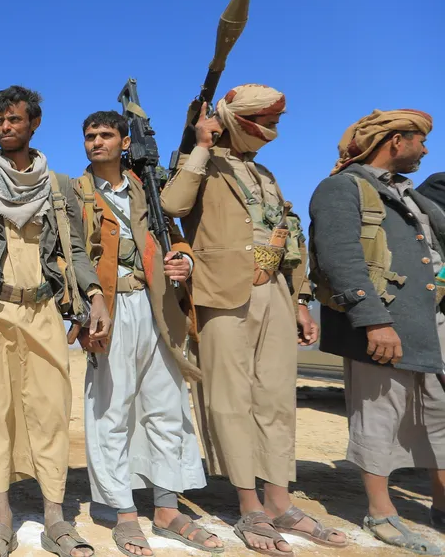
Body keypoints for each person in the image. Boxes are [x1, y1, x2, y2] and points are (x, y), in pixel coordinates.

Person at [160, 84, 345, 556]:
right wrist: (202, 146)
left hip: (274, 291)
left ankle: (280, 502)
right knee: (231, 400)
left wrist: (299, 299)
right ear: (237, 122)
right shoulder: (201, 164)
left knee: (277, 398)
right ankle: (250, 506)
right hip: (222, 295)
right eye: (267, 124)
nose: (273, 133)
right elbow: (172, 205)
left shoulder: (264, 173)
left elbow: (286, 234)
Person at [0, 86, 110, 557]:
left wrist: (94, 295)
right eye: (0, 121)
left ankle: (55, 518)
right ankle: (1, 518)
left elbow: (75, 249)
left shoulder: (57, 184)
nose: (6, 127)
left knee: (50, 412)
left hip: (43, 309)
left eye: (15, 120)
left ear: (34, 124)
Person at [70, 111, 221, 555]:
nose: (96, 142)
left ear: (124, 142)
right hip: (109, 309)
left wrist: (184, 261)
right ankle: (123, 512)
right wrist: (85, 309)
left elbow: (174, 236)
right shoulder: (75, 193)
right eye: (90, 136)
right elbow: (68, 252)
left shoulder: (147, 187)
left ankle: (167, 507)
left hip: (158, 307)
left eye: (106, 135)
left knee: (166, 408)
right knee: (110, 412)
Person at [310, 109, 444, 554]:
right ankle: (381, 513)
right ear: (395, 141)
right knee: (379, 415)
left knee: (439, 414)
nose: (425, 150)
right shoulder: (342, 188)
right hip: (385, 322)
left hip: (428, 321)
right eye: (419, 141)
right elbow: (341, 257)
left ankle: (442, 505)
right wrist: (374, 320)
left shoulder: (408, 194)